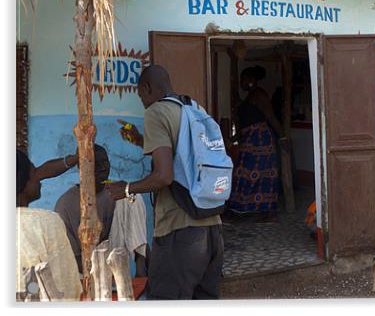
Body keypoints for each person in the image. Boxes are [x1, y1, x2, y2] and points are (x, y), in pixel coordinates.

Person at [106, 64, 224, 300]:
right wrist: (142, 141)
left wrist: (127, 189)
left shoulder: (156, 112)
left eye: (141, 96)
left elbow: (164, 176)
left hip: (179, 233)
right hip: (212, 229)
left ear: (147, 88)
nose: (143, 102)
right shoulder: (194, 108)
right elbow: (184, 159)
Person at [54, 144, 148, 277]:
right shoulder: (65, 204)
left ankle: (141, 273)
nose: (104, 168)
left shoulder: (116, 192)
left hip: (115, 257)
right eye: (96, 164)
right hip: (84, 268)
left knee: (131, 196)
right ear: (81, 168)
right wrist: (99, 276)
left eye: (105, 163)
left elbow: (136, 237)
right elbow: (71, 258)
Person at [16, 150, 82, 301]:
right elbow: (66, 284)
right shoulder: (47, 221)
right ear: (22, 183)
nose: (39, 180)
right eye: (34, 175)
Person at [227, 65, 286, 222]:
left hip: (260, 141)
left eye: (243, 79)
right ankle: (244, 209)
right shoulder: (249, 96)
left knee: (260, 176)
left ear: (252, 80)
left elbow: (271, 117)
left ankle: (267, 212)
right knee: (246, 174)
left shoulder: (259, 95)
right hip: (249, 141)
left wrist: (284, 138)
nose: (241, 82)